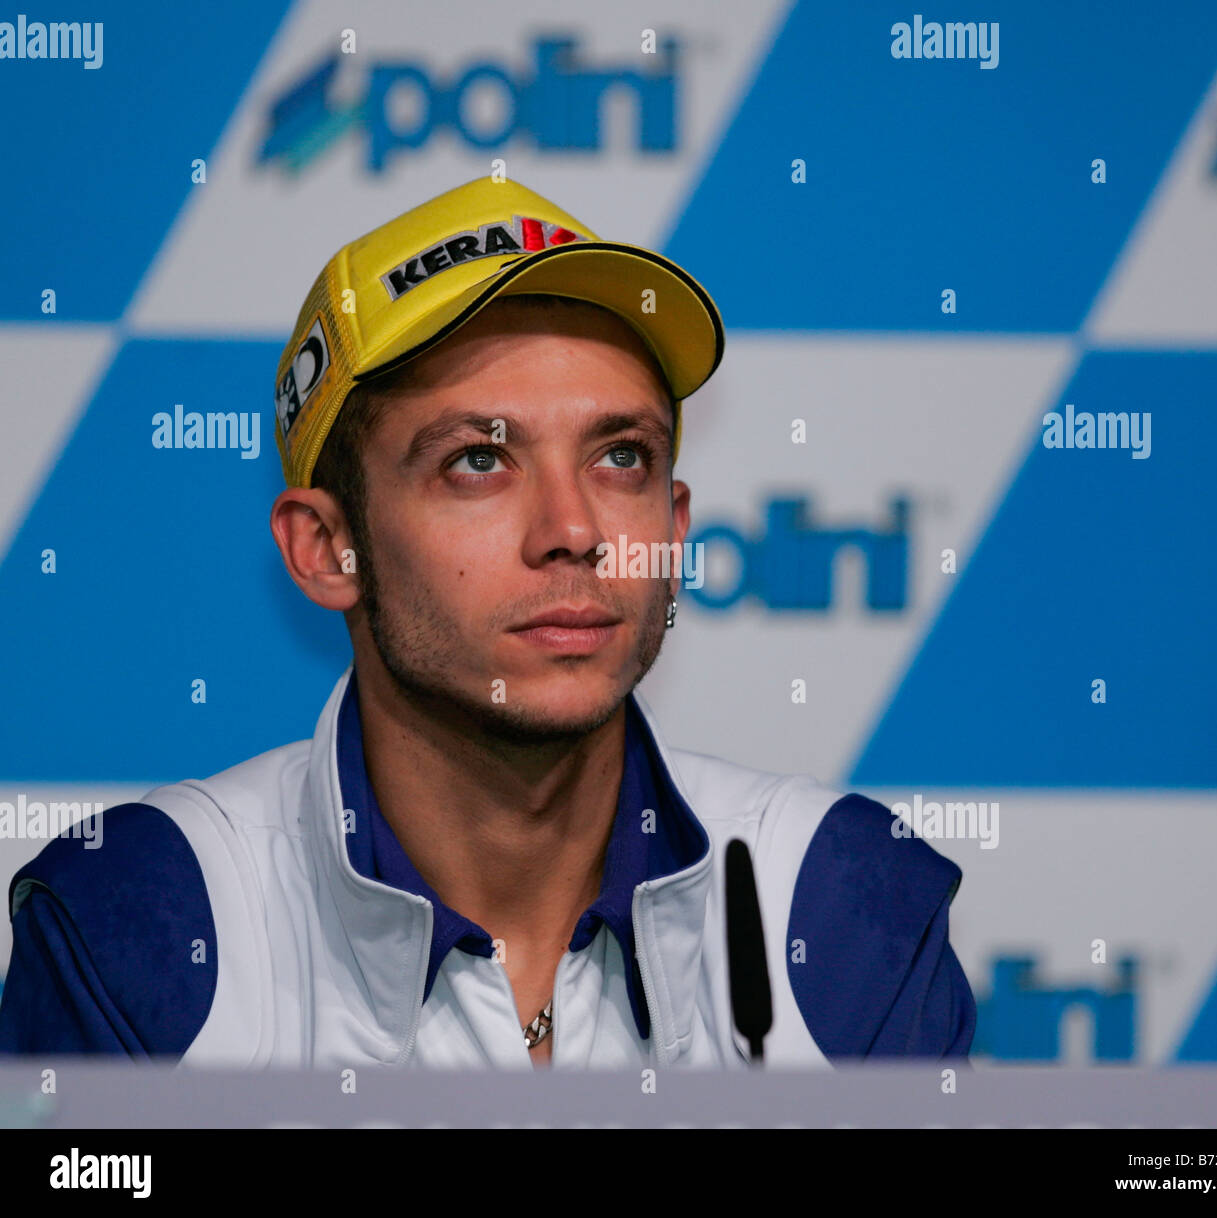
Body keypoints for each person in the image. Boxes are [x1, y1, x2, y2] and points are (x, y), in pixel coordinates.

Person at [0, 176, 975, 1068]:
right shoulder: (142, 917)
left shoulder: (842, 901)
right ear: (323, 548)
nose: (573, 530)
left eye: (620, 457)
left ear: (673, 533)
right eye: (477, 460)